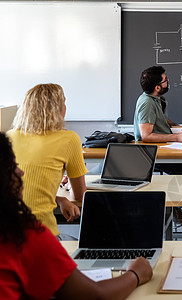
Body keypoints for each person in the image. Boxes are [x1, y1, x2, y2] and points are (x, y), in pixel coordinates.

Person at [0, 132, 153, 299]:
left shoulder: (14, 134)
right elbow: (96, 296)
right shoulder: (25, 237)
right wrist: (135, 274)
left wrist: (58, 199)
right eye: (12, 166)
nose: (21, 172)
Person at [133, 66, 182, 226]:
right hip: (154, 155)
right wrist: (177, 136)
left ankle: (173, 206)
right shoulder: (147, 103)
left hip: (166, 149)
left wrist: (177, 127)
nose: (168, 81)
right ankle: (171, 206)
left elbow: (160, 119)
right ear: (157, 87)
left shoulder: (158, 99)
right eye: (165, 80)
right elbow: (146, 136)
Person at [8, 84, 87, 238]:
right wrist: (66, 195)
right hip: (41, 236)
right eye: (64, 103)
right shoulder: (69, 139)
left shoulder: (9, 137)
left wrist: (59, 199)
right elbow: (80, 197)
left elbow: (25, 193)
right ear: (58, 109)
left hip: (7, 237)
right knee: (79, 245)